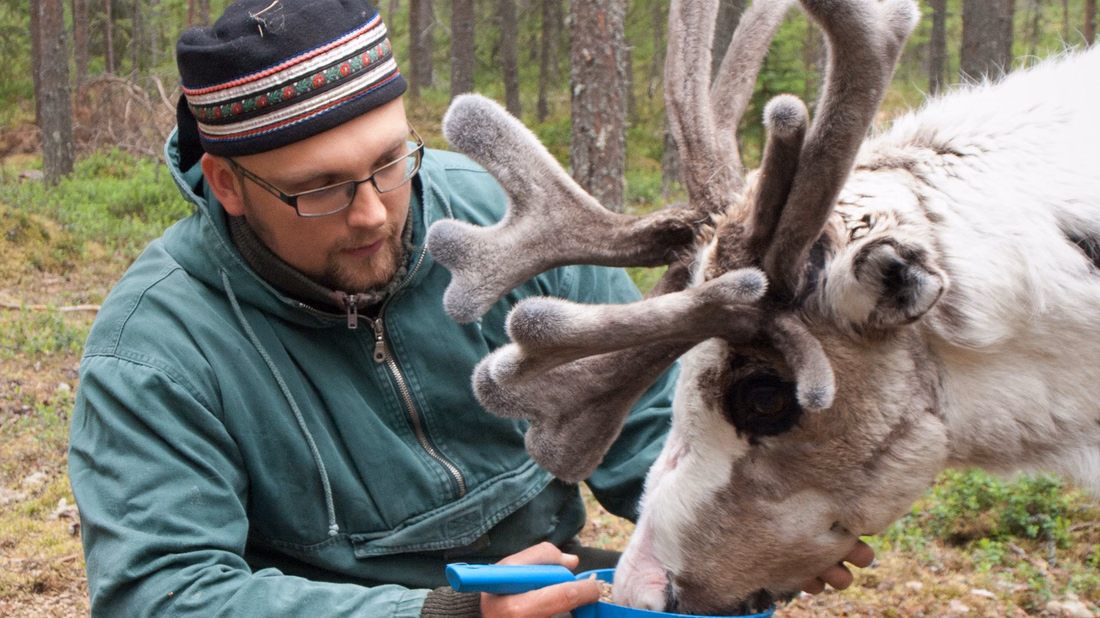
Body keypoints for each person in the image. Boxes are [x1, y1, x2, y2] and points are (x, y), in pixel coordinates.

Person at [67, 0, 873, 616]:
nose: (373, 214)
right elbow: (161, 594)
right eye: (320, 189)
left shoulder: (506, 222)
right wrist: (443, 613)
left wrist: (744, 522)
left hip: (551, 591)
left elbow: (642, 423)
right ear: (227, 184)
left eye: (390, 162)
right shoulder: (156, 348)